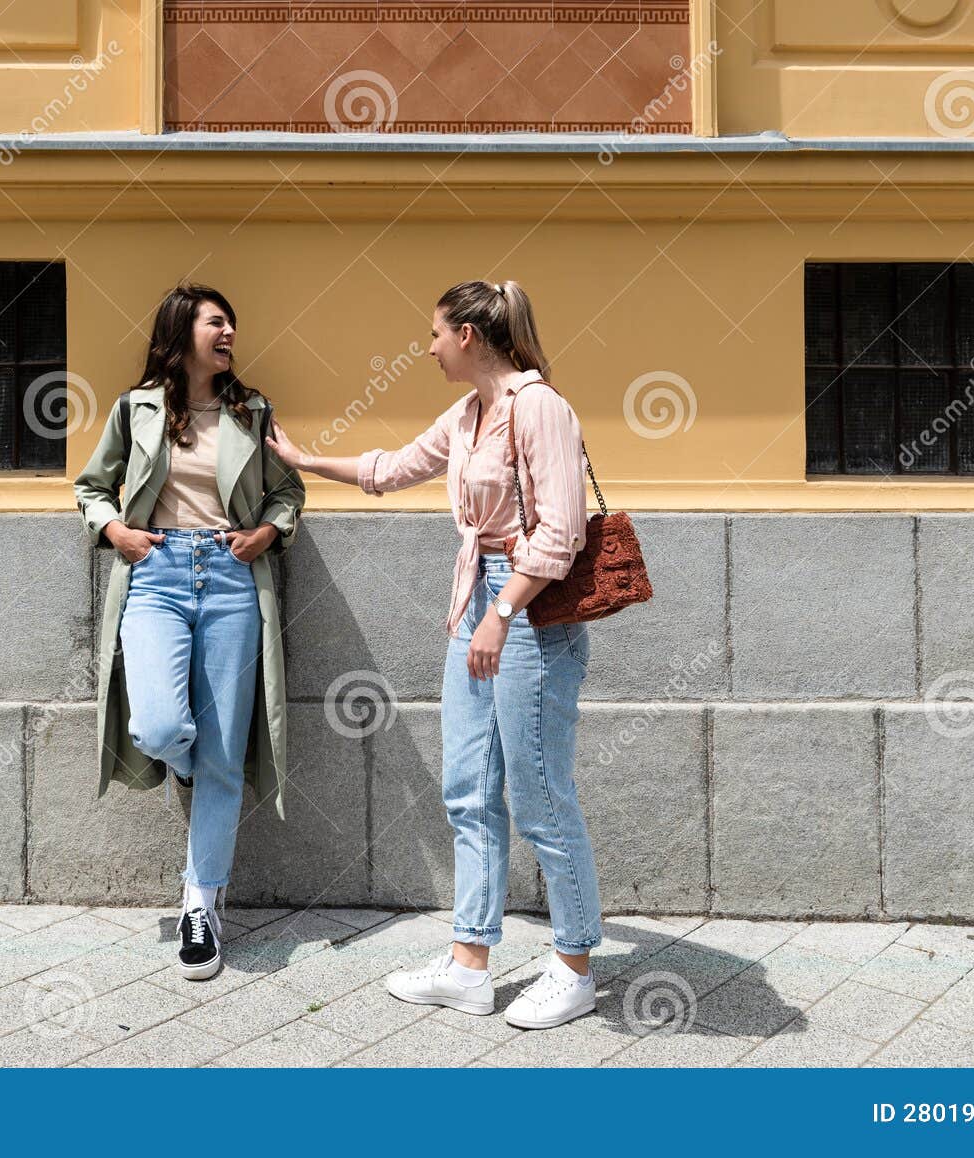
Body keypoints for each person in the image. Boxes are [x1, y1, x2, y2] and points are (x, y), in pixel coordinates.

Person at [267, 279, 602, 1029]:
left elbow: (562, 532)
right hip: (478, 602)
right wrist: (304, 460)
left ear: (471, 337)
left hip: (531, 609)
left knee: (542, 797)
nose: (427, 348)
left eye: (435, 334)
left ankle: (576, 966)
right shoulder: (471, 413)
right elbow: (392, 468)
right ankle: (469, 965)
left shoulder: (539, 408)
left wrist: (503, 612)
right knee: (467, 792)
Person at [74, 283, 304, 981]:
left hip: (233, 578)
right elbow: (92, 486)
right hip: (157, 574)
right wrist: (117, 531)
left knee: (225, 757)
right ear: (180, 334)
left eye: (232, 319)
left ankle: (200, 904)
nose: (229, 330)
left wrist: (266, 533)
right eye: (214, 321)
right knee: (158, 726)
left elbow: (289, 492)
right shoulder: (134, 408)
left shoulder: (251, 408)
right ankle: (180, 761)